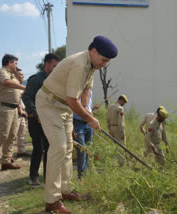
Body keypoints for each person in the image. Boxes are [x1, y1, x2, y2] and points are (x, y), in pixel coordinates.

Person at [36, 35, 117, 213]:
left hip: (63, 108)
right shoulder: (80, 64)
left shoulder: (91, 66)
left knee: (67, 150)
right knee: (58, 148)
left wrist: (88, 113)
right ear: (93, 51)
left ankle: (65, 190)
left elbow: (86, 92)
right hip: (49, 103)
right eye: (103, 60)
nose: (104, 65)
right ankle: (52, 201)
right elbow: (73, 100)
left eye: (107, 62)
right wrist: (89, 119)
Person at [22, 53, 59, 187]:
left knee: (50, 148)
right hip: (36, 120)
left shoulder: (55, 81)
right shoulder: (36, 79)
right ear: (47, 64)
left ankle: (48, 175)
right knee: (39, 148)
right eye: (55, 66)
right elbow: (26, 97)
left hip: (50, 121)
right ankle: (33, 177)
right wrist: (37, 114)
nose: (56, 68)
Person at [73, 90, 94, 179]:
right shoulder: (75, 91)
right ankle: (81, 175)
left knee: (88, 149)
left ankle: (85, 173)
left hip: (88, 124)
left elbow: (89, 108)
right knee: (81, 150)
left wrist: (92, 122)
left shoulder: (90, 92)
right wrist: (71, 127)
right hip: (77, 123)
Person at [107, 94, 128, 165]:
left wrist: (109, 129)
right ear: (121, 100)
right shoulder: (120, 108)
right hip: (118, 128)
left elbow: (108, 119)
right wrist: (122, 133)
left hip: (111, 127)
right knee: (121, 146)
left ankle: (113, 162)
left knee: (114, 146)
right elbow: (121, 122)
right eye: (124, 102)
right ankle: (121, 163)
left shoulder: (110, 106)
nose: (124, 104)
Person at [14, 68, 31, 157]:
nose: (22, 76)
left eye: (22, 74)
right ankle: (7, 155)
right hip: (16, 112)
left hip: (22, 112)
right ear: (15, 75)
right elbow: (14, 99)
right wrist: (20, 110)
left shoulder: (20, 86)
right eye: (20, 74)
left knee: (22, 133)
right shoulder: (14, 86)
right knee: (13, 134)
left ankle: (21, 151)